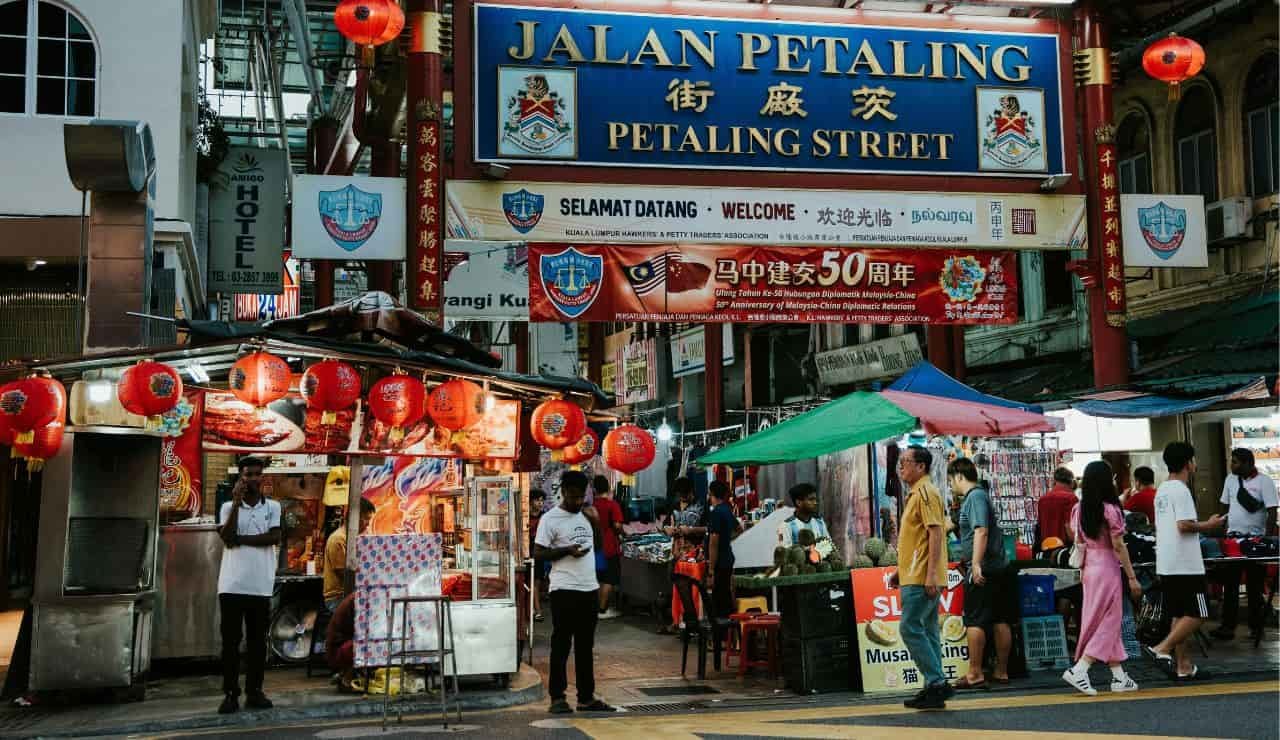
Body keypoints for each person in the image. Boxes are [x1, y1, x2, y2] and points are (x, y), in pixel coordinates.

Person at [534, 471, 615, 714]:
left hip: (588, 588)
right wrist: (566, 550)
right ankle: (557, 697)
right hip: (563, 590)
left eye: (581, 496)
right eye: (573, 496)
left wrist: (597, 523)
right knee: (561, 644)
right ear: (563, 492)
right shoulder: (550, 519)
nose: (578, 501)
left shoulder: (587, 515)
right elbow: (538, 553)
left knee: (585, 646)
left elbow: (597, 548)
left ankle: (586, 697)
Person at [1061, 461, 1143, 696]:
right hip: (1108, 567)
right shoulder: (1111, 509)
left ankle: (1119, 676)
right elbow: (1118, 545)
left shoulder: (1080, 508)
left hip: (1089, 568)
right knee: (1110, 620)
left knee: (1101, 619)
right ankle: (1081, 668)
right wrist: (1131, 576)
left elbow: (1077, 540)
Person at [1148, 442, 1224, 681]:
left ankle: (1184, 666)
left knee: (1179, 615)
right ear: (1188, 463)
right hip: (1186, 563)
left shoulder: (1162, 489)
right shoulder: (1181, 490)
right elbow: (1184, 525)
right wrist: (1209, 525)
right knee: (1200, 613)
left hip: (1168, 562)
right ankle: (1162, 648)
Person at [216, 456, 282, 715]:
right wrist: (234, 504)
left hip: (261, 586)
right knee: (230, 643)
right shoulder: (226, 507)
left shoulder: (273, 507)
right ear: (240, 477)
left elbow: (274, 537)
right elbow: (226, 538)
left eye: (256, 474)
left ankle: (255, 691)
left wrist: (239, 539)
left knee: (257, 644)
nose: (252, 479)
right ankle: (231, 693)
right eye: (247, 475)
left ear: (262, 477)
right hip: (231, 585)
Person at [889, 445, 952, 710]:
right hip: (914, 574)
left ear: (921, 467)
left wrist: (930, 575)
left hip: (921, 577)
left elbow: (935, 534)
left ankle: (937, 682)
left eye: (906, 461)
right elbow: (917, 541)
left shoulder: (926, 493)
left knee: (909, 628)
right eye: (900, 462)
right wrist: (899, 572)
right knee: (928, 630)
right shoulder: (917, 493)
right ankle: (933, 687)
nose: (901, 466)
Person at [949, 457, 1013, 690]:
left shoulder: (974, 497)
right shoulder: (980, 496)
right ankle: (1001, 671)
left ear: (958, 476)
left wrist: (975, 564)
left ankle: (975, 673)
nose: (951, 486)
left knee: (975, 620)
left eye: (951, 481)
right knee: (1000, 619)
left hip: (984, 570)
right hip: (999, 568)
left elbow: (981, 531)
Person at [1212, 448, 1278, 641]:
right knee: (1230, 584)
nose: (1231, 465)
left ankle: (1256, 627)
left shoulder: (1264, 481)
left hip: (1255, 542)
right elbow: (1225, 506)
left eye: (1235, 462)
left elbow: (1272, 511)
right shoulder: (1230, 480)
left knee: (1254, 586)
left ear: (1248, 463)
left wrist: (1266, 539)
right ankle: (1227, 627)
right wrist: (1222, 530)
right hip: (1233, 540)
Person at [662, 477, 706, 634]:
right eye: (680, 495)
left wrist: (691, 531)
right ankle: (680, 621)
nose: (682, 498)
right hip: (677, 553)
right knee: (677, 587)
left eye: (684, 495)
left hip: (695, 554)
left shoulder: (701, 506)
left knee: (692, 588)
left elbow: (707, 529)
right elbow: (665, 525)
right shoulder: (674, 506)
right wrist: (668, 529)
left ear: (691, 492)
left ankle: (692, 621)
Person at [323, 498, 375, 612]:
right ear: (355, 517)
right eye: (366, 518)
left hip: (350, 595)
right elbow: (345, 573)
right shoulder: (338, 539)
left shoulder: (354, 539)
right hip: (337, 598)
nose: (368, 524)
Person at [705, 480, 742, 623]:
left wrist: (711, 570)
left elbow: (713, 544)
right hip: (728, 558)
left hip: (720, 561)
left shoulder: (716, 513)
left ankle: (722, 635)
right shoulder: (727, 510)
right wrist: (727, 539)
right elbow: (739, 529)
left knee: (720, 600)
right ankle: (729, 635)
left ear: (711, 494)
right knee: (726, 595)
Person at [591, 475, 624, 619]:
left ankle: (596, 608)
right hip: (609, 547)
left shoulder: (591, 505)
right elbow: (617, 525)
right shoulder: (612, 505)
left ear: (594, 489)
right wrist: (622, 531)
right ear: (608, 488)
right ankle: (602, 610)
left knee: (598, 578)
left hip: (593, 547)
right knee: (609, 579)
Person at [1038, 467, 1079, 548]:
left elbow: (1040, 525)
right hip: (1064, 548)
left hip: (1046, 546)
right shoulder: (1071, 498)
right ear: (1071, 482)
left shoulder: (1042, 499)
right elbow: (1070, 528)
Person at [325, 592, 358, 691]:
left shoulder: (355, 597)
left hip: (342, 645)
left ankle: (344, 673)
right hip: (337, 651)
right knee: (365, 645)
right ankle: (346, 679)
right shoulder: (357, 600)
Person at [530, 488, 547, 622]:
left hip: (540, 552)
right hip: (527, 551)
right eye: (537, 500)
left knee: (536, 582)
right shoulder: (525, 516)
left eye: (542, 500)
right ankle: (537, 610)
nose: (540, 503)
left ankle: (536, 609)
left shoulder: (545, 516)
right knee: (531, 582)